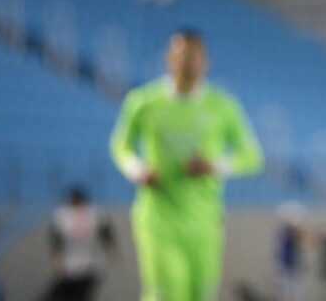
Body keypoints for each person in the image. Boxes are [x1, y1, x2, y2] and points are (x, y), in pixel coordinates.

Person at [109, 29, 264, 301]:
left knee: (201, 295)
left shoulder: (222, 105)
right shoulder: (143, 102)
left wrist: (214, 166)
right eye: (183, 55)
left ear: (205, 61)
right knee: (167, 295)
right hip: (158, 217)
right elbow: (120, 147)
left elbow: (251, 156)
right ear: (169, 58)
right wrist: (137, 170)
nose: (190, 61)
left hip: (205, 220)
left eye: (196, 55)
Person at [44, 187, 117, 301]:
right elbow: (107, 236)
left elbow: (55, 242)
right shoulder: (93, 213)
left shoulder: (64, 215)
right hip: (75, 267)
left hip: (84, 267)